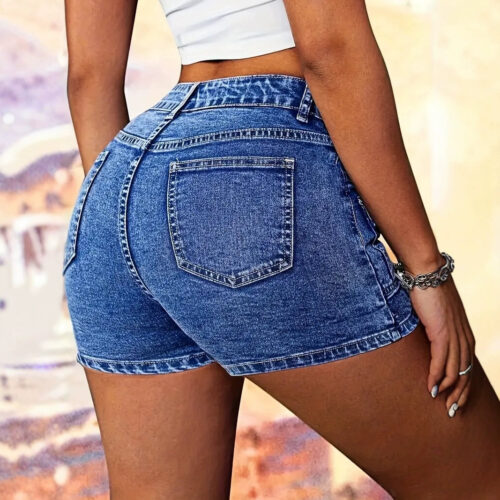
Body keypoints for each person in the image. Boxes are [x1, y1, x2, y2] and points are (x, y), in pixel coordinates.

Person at [63, 0, 500, 498]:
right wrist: (426, 271)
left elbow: (88, 80)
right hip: (254, 161)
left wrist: (143, 232)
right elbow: (330, 48)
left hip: (114, 188)